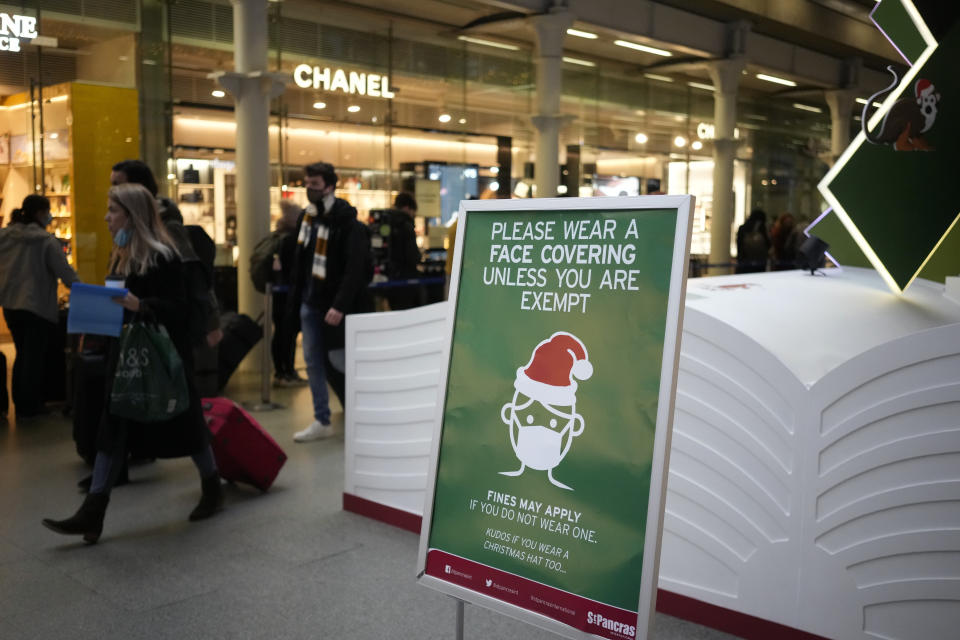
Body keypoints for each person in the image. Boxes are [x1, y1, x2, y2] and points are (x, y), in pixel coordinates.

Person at [42, 183, 223, 544]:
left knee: (186, 424)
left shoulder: (163, 256)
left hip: (162, 356)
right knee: (113, 427)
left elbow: (180, 309)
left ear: (132, 214)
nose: (108, 218)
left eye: (113, 211)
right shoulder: (122, 253)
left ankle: (212, 485)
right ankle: (94, 512)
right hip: (128, 353)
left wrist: (140, 305)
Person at [290, 162, 373, 442]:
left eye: (314, 184)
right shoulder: (307, 218)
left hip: (336, 306)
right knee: (313, 361)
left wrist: (339, 304)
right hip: (310, 302)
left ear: (329, 186)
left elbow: (354, 269)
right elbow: (300, 262)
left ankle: (361, 414)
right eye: (307, 183)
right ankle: (321, 419)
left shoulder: (346, 222)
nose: (309, 189)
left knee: (342, 361)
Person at [110, 160, 223, 351]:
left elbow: (190, 282)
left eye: (118, 184)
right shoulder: (129, 236)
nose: (113, 190)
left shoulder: (167, 233)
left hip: (163, 342)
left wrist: (210, 323)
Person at [0, 195, 79, 418]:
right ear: (39, 213)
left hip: (11, 304)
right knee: (33, 358)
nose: (49, 216)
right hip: (37, 305)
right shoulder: (46, 241)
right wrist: (84, 290)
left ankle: (19, 402)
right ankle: (31, 406)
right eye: (47, 212)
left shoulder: (5, 236)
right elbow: (66, 274)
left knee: (22, 353)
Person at [270, 199, 305, 386]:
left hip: (278, 293)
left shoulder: (278, 236)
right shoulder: (293, 239)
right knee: (288, 334)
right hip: (288, 294)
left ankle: (281, 372)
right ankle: (287, 372)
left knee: (280, 333)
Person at [384, 192, 422, 311]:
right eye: (412, 211)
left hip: (389, 277)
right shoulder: (406, 225)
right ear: (407, 208)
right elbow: (412, 256)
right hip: (406, 279)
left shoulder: (385, 221)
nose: (413, 215)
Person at [735, 208, 770, 274]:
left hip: (749, 262)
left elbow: (739, 245)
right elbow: (768, 244)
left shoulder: (743, 228)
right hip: (754, 263)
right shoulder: (762, 229)